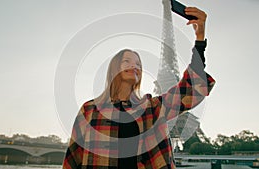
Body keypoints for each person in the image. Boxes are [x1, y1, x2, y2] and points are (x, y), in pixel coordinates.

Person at [63, 7, 215, 169]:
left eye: (138, 64)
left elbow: (189, 90)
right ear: (114, 69)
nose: (134, 66)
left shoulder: (151, 108)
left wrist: (199, 41)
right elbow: (73, 158)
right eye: (127, 61)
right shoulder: (89, 110)